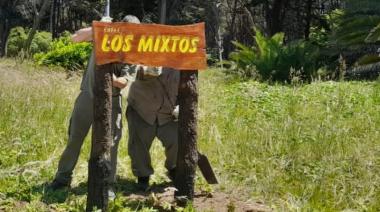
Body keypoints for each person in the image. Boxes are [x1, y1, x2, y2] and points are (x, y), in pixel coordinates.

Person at [48, 16, 137, 199]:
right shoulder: (103, 34)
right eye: (124, 29)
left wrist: (108, 79)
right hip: (87, 97)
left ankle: (108, 184)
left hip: (112, 101)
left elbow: (123, 82)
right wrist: (99, 28)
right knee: (75, 139)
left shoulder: (132, 52)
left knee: (111, 145)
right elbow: (76, 38)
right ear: (117, 27)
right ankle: (62, 179)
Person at [126, 57, 180, 191]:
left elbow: (189, 83)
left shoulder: (182, 54)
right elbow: (130, 70)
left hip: (169, 112)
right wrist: (142, 68)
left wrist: (183, 105)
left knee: (177, 142)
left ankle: (173, 169)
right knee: (138, 146)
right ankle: (143, 177)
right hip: (142, 107)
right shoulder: (143, 47)